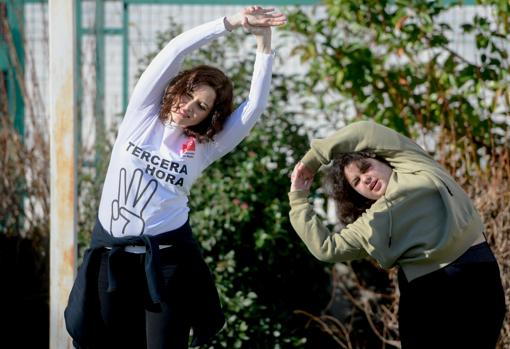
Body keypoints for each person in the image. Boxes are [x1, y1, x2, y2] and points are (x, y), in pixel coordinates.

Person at [65, 6, 287, 349]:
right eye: (189, 94)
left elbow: (254, 107)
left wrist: (264, 45)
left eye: (200, 106)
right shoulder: (141, 116)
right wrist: (230, 23)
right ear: (179, 88)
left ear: (207, 117)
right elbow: (174, 50)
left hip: (167, 262)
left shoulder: (205, 146)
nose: (189, 107)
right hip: (112, 257)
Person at [288, 120, 506, 349]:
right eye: (357, 182)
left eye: (366, 168)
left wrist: (311, 161)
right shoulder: (371, 222)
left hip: (473, 274)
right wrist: (298, 199)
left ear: (383, 158)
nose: (365, 179)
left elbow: (363, 131)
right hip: (427, 295)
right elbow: (326, 248)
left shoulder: (413, 163)